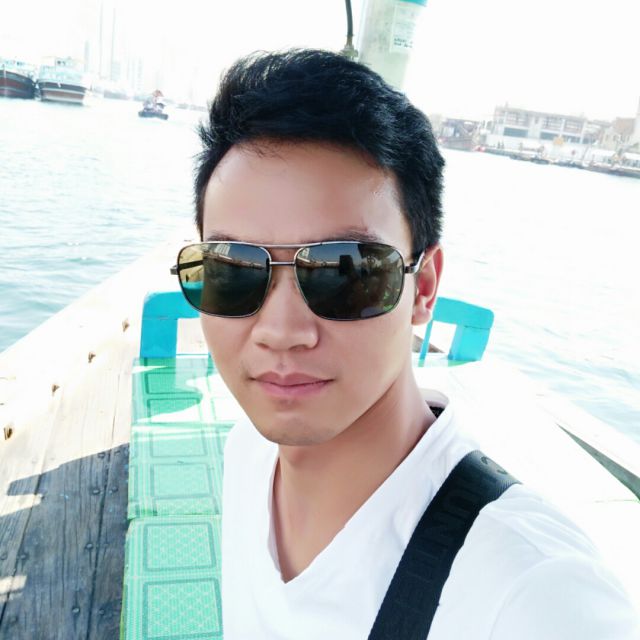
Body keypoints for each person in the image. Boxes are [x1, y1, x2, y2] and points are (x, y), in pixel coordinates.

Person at [180, 49, 639, 638]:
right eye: (232, 268)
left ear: (423, 288)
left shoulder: (534, 597)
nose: (281, 331)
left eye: (346, 270)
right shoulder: (248, 452)